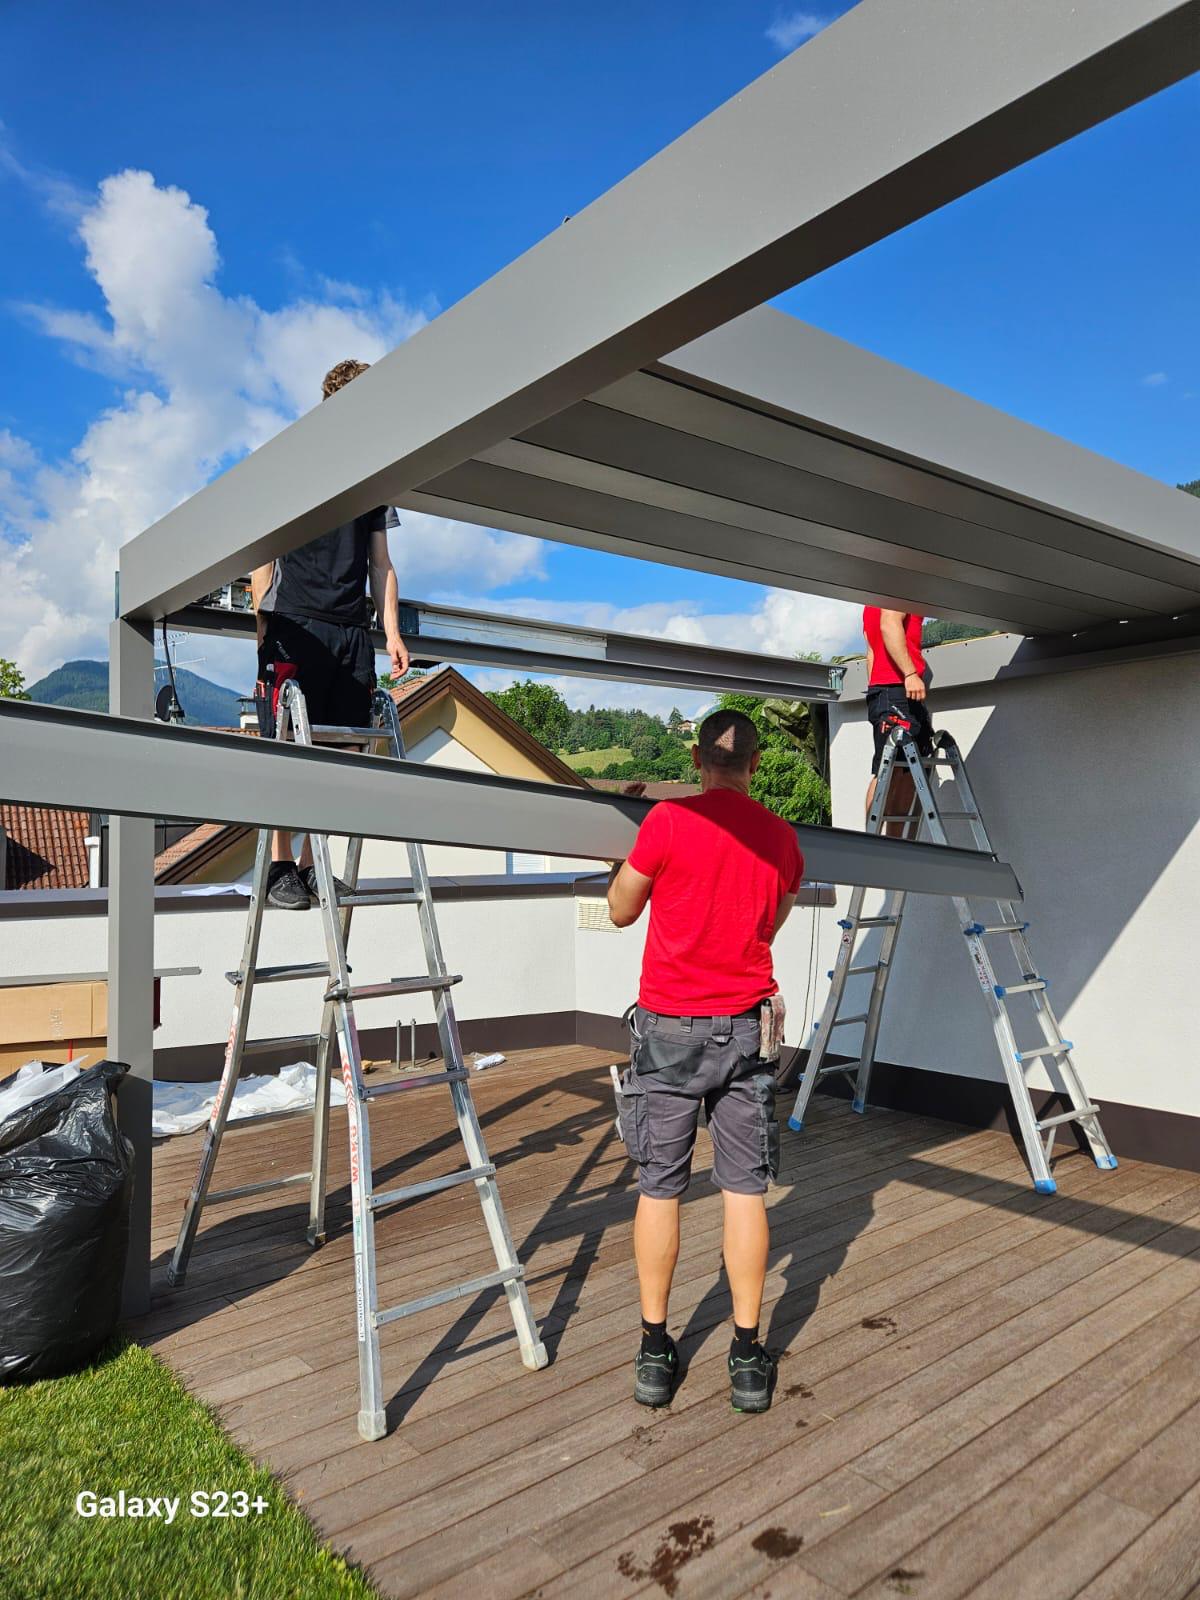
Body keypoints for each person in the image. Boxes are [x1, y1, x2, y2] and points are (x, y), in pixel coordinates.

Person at [607, 709, 802, 1414]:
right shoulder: (781, 838)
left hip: (668, 1031)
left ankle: (656, 1351)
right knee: (745, 1190)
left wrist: (626, 849)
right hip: (745, 1031)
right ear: (755, 764)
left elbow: (620, 910)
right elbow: (769, 923)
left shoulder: (666, 822)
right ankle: (747, 1357)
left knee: (660, 1186)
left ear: (697, 759)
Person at [252, 359, 411, 909]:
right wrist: (262, 629)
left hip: (351, 630)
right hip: (296, 620)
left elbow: (381, 563)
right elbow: (263, 555)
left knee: (342, 749)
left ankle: (310, 865)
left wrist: (391, 632)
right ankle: (279, 867)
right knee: (286, 747)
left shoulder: (373, 480)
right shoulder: (293, 463)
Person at [862, 606, 932, 837]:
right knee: (888, 771)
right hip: (895, 688)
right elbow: (889, 624)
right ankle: (873, 843)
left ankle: (895, 842)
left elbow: (871, 653)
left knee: (906, 771)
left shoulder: (870, 602)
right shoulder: (899, 590)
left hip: (889, 690)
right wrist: (910, 674)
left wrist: (876, 694)